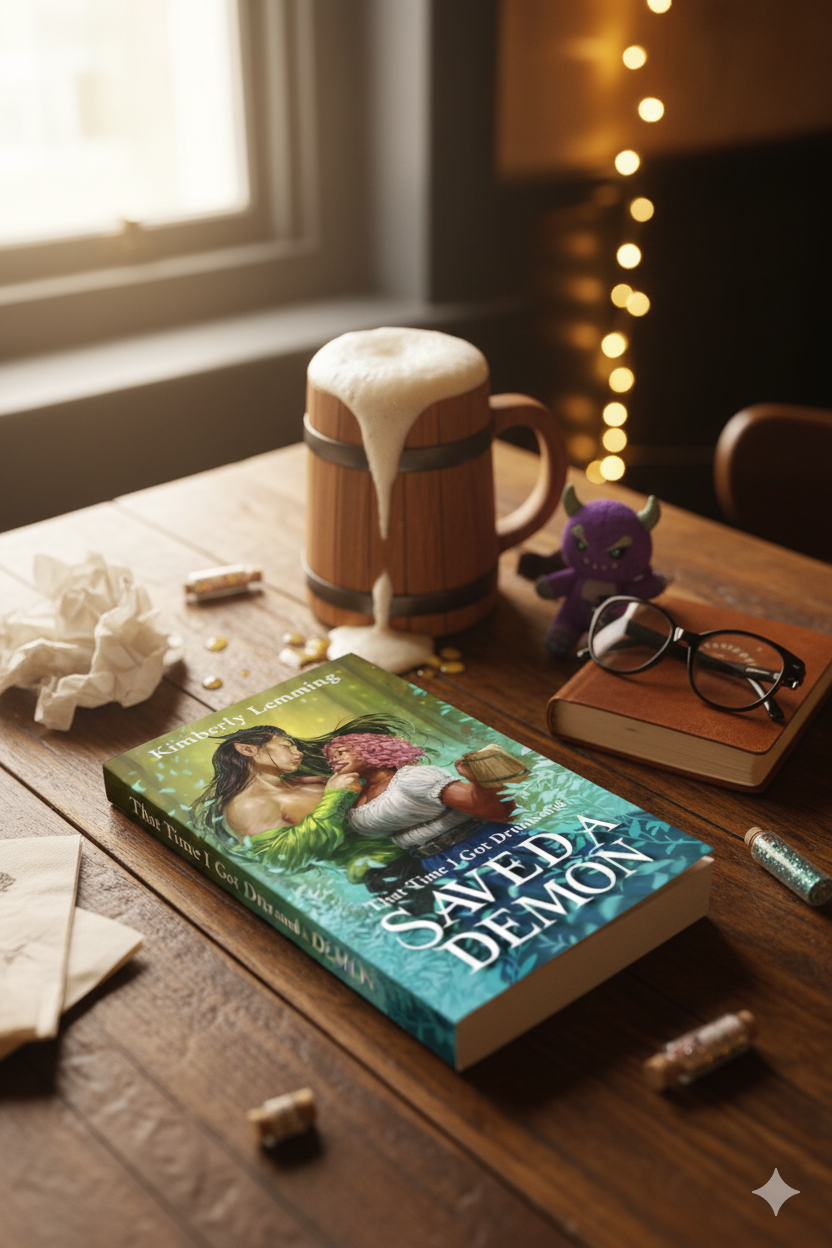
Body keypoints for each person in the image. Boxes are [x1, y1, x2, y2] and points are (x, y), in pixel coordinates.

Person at [323, 732, 519, 856]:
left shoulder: (412, 778)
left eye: (341, 753)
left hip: (486, 845)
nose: (335, 762)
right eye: (331, 761)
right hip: (436, 863)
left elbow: (496, 811)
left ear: (368, 749)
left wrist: (477, 777)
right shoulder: (352, 800)